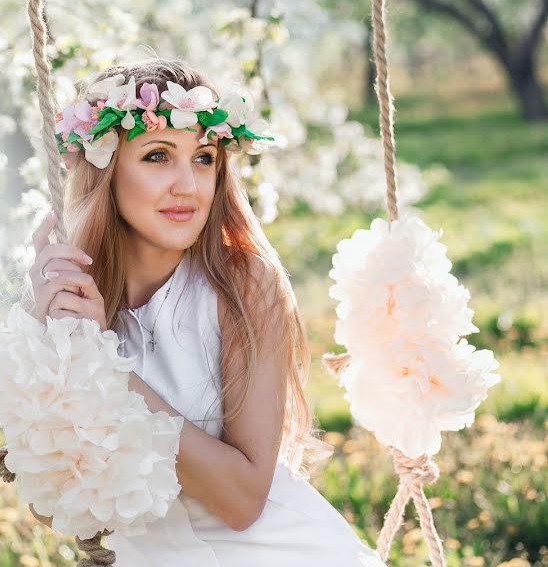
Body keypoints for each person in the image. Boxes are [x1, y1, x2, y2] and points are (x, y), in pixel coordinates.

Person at [23, 57, 386, 566]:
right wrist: (52, 344)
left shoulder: (242, 287)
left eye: (203, 158)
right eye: (156, 156)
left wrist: (102, 362)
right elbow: (59, 505)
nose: (187, 185)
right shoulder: (64, 295)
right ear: (104, 169)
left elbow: (241, 501)